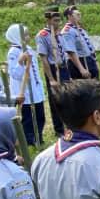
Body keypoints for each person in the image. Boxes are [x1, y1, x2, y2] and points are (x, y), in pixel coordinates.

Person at [6, 23, 47, 145]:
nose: (28, 37)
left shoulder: (28, 49)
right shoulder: (13, 52)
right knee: (28, 118)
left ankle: (38, 137)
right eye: (25, 35)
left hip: (35, 89)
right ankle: (28, 140)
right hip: (24, 90)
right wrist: (20, 61)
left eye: (27, 35)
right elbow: (15, 74)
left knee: (40, 116)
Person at [37, 7, 70, 136]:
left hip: (63, 67)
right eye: (55, 21)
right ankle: (59, 129)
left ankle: (69, 124)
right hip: (52, 68)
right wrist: (51, 79)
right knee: (55, 99)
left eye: (59, 21)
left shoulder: (59, 34)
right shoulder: (43, 36)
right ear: (48, 20)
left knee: (66, 97)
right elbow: (44, 59)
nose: (58, 23)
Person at [60, 6, 94, 80]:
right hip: (79, 61)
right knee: (84, 88)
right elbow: (70, 52)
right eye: (77, 14)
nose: (79, 16)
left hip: (88, 59)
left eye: (80, 14)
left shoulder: (80, 29)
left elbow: (89, 46)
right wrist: (81, 69)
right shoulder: (67, 31)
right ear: (69, 16)